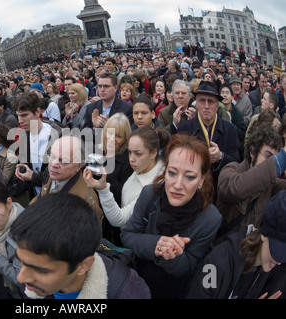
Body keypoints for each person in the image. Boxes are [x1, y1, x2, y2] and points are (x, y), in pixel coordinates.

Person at [120, 133, 222, 299]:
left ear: (202, 180)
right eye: (172, 173)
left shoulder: (210, 219)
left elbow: (190, 266)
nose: (178, 184)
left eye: (189, 177)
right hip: (136, 281)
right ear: (165, 171)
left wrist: (173, 256)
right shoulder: (149, 194)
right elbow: (127, 235)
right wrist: (156, 245)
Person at [10, 192, 151, 299]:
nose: (21, 278)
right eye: (22, 262)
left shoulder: (128, 293)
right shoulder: (32, 284)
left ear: (83, 266)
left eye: (41, 270)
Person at [187, 190, 286, 299]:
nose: (280, 262)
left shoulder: (275, 272)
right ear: (264, 234)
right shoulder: (216, 264)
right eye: (278, 251)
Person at [84, 126, 167, 230]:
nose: (131, 159)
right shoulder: (142, 167)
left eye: (138, 153)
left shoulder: (153, 185)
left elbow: (119, 219)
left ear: (153, 153)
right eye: (130, 152)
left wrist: (103, 190)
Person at [216, 124, 286, 241]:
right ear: (253, 151)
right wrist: (280, 160)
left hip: (249, 253)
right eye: (268, 157)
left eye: (274, 159)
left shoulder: (272, 184)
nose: (270, 163)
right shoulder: (231, 170)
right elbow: (237, 189)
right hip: (224, 251)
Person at [174, 80, 240, 188]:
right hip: (191, 188)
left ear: (217, 105)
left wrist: (220, 156)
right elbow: (177, 159)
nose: (206, 106)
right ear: (196, 104)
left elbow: (236, 162)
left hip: (220, 188)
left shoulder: (229, 129)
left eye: (210, 101)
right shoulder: (184, 128)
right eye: (201, 101)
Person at [28, 135, 104, 224]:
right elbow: (41, 197)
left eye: (63, 161)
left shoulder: (86, 201)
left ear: (78, 166)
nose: (53, 164)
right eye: (52, 157)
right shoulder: (54, 174)